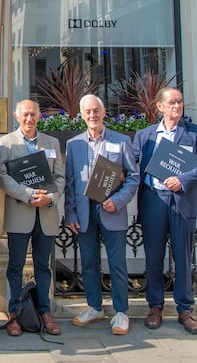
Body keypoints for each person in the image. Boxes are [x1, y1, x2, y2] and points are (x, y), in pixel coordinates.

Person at [133, 87, 197, 334]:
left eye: (179, 102)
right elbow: (129, 164)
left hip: (182, 202)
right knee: (154, 257)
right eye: (171, 102)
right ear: (159, 106)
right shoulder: (145, 136)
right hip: (153, 201)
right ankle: (155, 306)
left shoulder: (195, 133)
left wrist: (183, 179)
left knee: (183, 257)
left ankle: (185, 309)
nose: (176, 106)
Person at [64, 94, 139, 335]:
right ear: (81, 115)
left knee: (117, 264)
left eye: (96, 111)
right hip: (85, 213)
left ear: (104, 112)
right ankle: (95, 307)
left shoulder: (121, 141)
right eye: (87, 112)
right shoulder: (73, 144)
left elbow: (133, 177)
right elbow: (70, 183)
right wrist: (71, 214)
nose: (92, 115)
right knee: (88, 264)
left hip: (110, 211)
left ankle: (121, 312)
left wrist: (116, 201)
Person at [0, 99, 65, 336]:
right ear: (16, 116)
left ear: (39, 116)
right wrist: (27, 195)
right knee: (15, 266)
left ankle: (45, 312)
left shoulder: (52, 142)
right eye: (25, 114)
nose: (29, 119)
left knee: (43, 266)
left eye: (33, 114)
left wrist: (52, 198)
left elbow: (60, 177)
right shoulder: (5, 143)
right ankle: (14, 313)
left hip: (45, 214)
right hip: (19, 212)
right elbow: (2, 177)